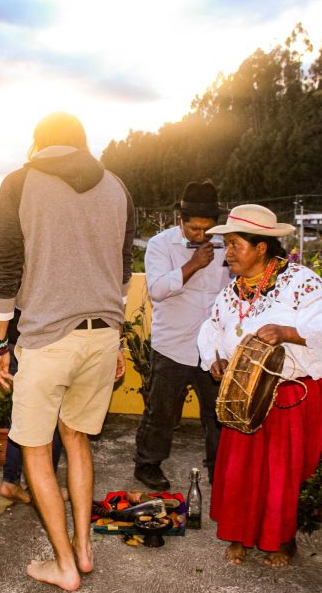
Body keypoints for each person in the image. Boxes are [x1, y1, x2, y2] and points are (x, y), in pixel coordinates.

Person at [0, 111, 134, 591]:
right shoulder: (116, 186)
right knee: (77, 439)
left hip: (48, 338)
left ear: (39, 143)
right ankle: (86, 550)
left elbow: (6, 266)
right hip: (102, 333)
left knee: (34, 447)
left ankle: (65, 566)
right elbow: (122, 268)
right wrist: (117, 336)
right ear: (80, 142)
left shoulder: (20, 182)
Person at [197, 204, 322, 567]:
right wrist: (214, 358)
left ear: (261, 247)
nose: (227, 252)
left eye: (235, 244)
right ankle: (240, 537)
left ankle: (281, 541)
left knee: (279, 472)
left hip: (285, 395)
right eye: (227, 244)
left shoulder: (300, 282)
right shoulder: (232, 291)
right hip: (243, 397)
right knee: (241, 471)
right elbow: (211, 328)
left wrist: (285, 332)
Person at [134, 181, 228, 491]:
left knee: (217, 414)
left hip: (215, 349)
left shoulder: (227, 245)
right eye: (194, 230)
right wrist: (192, 265)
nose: (202, 236)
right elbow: (158, 290)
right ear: (180, 221)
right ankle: (147, 464)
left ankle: (219, 470)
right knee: (161, 411)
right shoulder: (160, 245)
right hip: (173, 345)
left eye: (207, 229)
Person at [0, 309, 64, 505]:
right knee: (53, 416)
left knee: (23, 415)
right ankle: (42, 489)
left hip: (15, 337)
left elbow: (3, 295)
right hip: (38, 341)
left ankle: (12, 482)